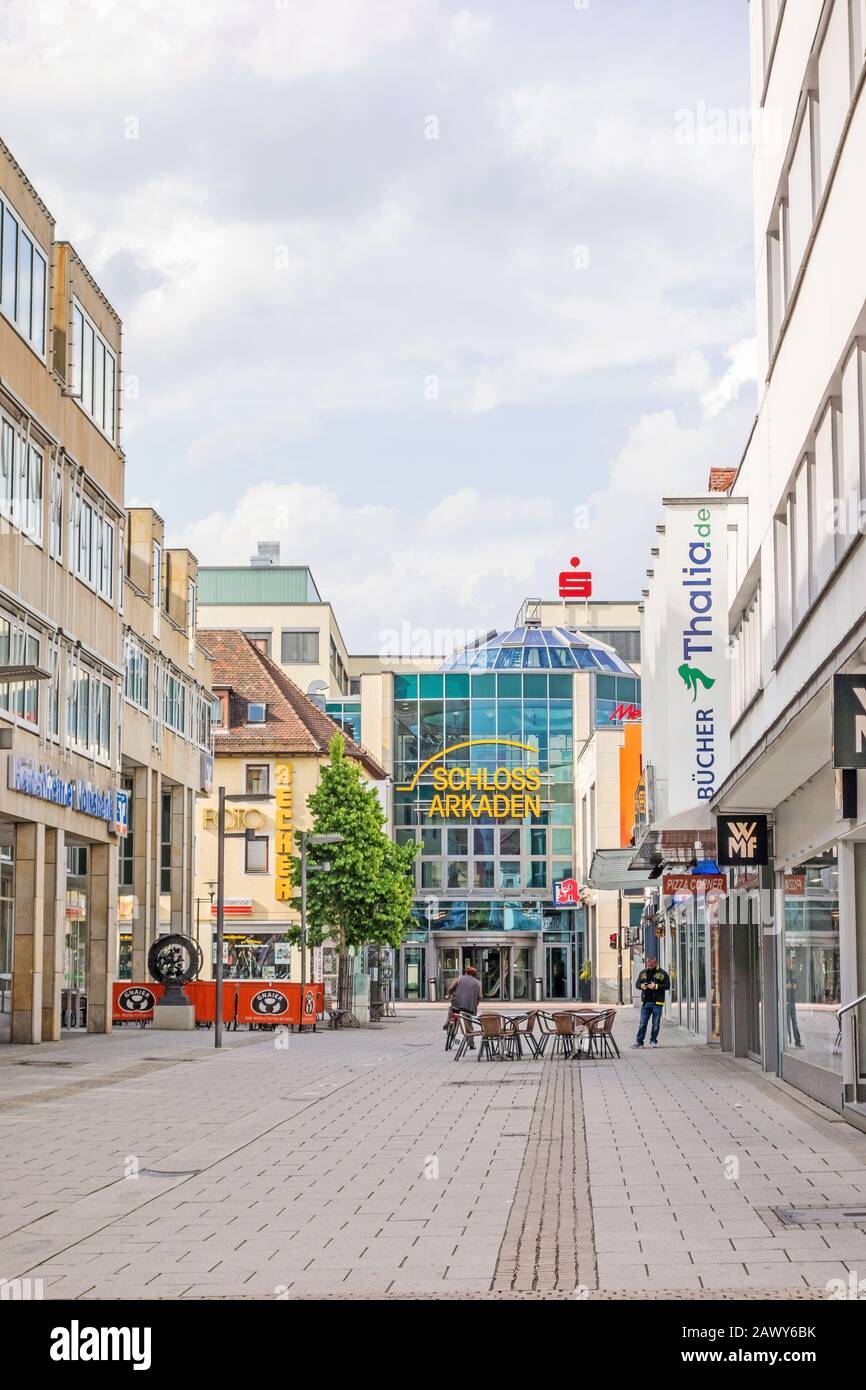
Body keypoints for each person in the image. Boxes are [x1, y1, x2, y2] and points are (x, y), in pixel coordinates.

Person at [631, 956, 671, 1048]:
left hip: (657, 1003)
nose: (649, 966)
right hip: (645, 1002)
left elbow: (667, 985)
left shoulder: (663, 973)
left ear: (655, 963)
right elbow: (637, 984)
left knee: (655, 1024)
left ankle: (653, 1041)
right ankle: (639, 1042)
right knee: (642, 1023)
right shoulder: (643, 973)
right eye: (648, 964)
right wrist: (641, 986)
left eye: (651, 965)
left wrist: (656, 986)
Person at [443, 964, 482, 1029]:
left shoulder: (460, 978)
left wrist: (449, 995)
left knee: (452, 1009)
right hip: (469, 1007)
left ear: (466, 973)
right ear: (474, 974)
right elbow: (480, 996)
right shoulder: (478, 983)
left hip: (457, 1004)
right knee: (468, 1022)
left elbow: (450, 988)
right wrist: (476, 1004)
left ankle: (447, 1023)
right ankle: (470, 1037)